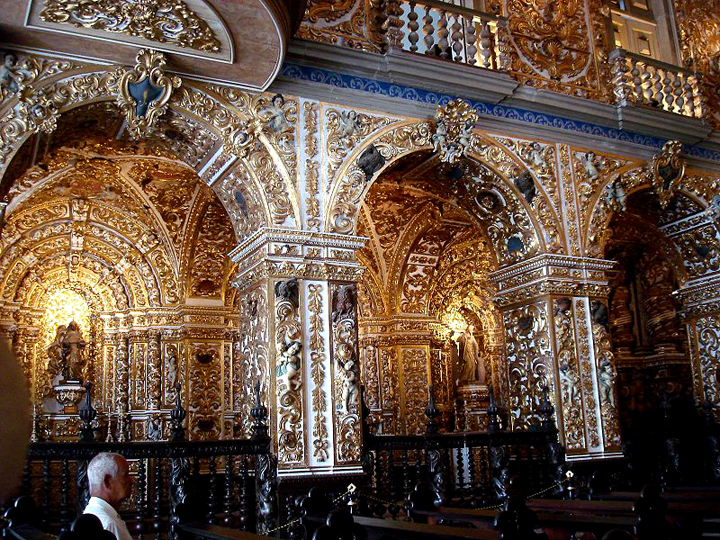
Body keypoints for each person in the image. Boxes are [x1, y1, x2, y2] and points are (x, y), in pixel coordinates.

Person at [84, 452, 134, 540]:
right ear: (107, 482)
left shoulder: (93, 512)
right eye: (125, 475)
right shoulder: (109, 524)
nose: (132, 480)